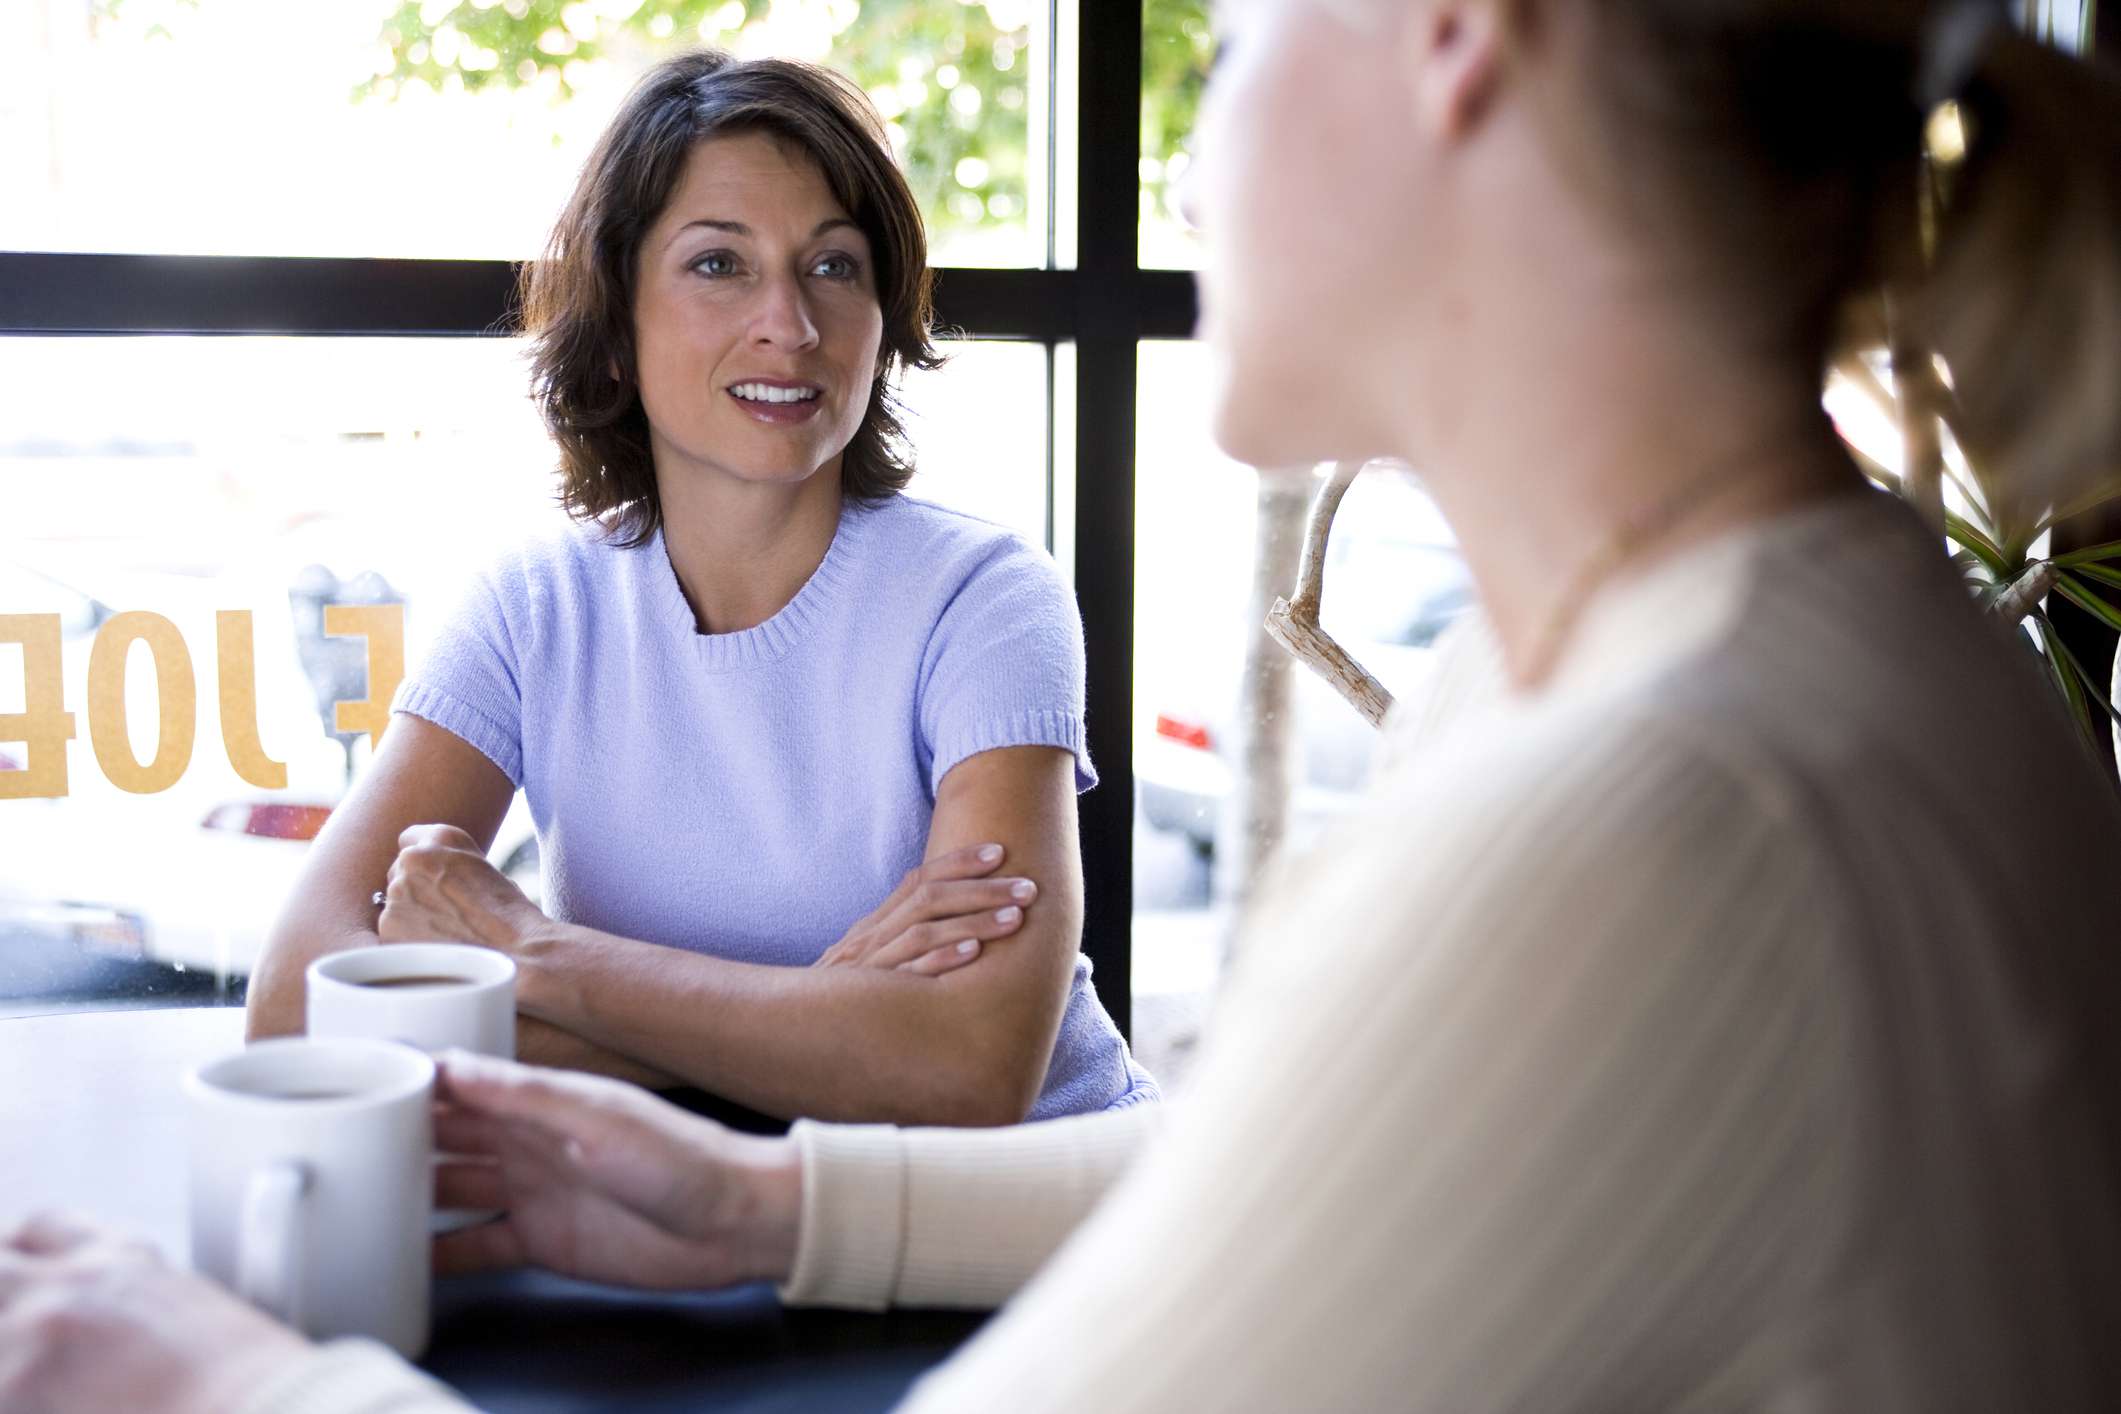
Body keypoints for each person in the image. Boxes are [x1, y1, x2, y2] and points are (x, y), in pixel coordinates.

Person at [8, 0, 2121, 1408]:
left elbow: (993, 1081)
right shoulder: (1652, 660)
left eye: (1254, 23)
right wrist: (766, 1197)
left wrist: (238, 1382)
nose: (1187, 157)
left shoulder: (1674, 804)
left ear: (1454, 38)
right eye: (723, 264)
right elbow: (1263, 1161)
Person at [239, 51, 1156, 1127]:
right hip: (669, 1211)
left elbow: (971, 1066)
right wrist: (830, 1015)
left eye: (835, 266)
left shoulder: (986, 595)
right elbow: (296, 1010)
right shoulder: (532, 607)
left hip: (1027, 1209)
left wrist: (534, 954)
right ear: (617, 323)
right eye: (719, 264)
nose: (791, 323)